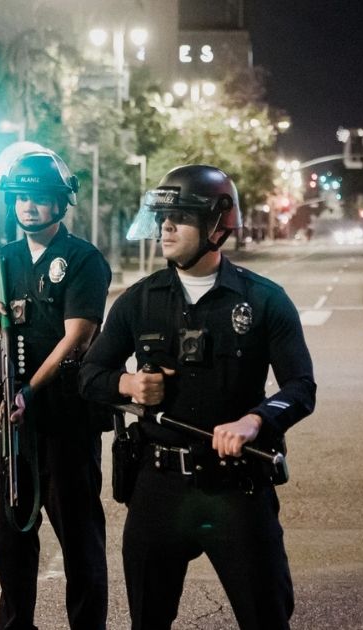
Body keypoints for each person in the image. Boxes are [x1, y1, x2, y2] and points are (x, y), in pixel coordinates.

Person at [80, 164, 316, 629]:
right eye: (162, 217)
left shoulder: (264, 299)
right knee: (149, 618)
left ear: (216, 226)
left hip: (238, 487)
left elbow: (301, 387)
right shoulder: (138, 301)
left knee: (267, 616)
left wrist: (256, 421)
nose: (165, 227)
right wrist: (126, 385)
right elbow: (89, 376)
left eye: (180, 217)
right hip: (158, 485)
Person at [0, 149, 111, 629]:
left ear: (60, 203)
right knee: (12, 539)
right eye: (21, 198)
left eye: (40, 198)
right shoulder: (4, 260)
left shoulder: (81, 259)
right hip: (11, 420)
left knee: (80, 539)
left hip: (65, 417)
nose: (29, 206)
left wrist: (29, 390)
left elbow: (79, 336)